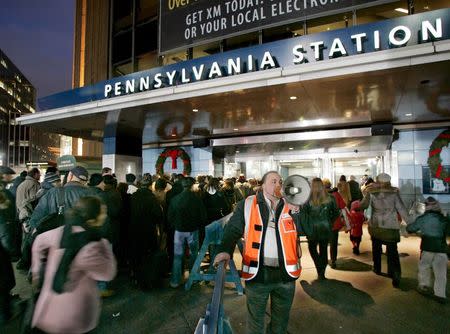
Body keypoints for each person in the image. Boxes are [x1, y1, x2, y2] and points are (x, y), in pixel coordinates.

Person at [214, 171, 302, 334]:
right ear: (262, 185)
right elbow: (232, 229)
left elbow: (305, 230)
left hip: (285, 276)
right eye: (273, 181)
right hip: (258, 275)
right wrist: (225, 250)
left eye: (280, 182)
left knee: (280, 323)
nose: (278, 185)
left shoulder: (290, 205)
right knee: (255, 324)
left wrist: (297, 212)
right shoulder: (247, 204)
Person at [31, 196, 116, 333]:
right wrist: (106, 244)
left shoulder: (62, 231)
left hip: (47, 306)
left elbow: (38, 242)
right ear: (92, 219)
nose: (105, 215)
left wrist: (36, 269)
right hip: (73, 314)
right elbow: (108, 273)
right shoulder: (91, 247)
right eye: (103, 212)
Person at [359, 173, 409, 288]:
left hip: (376, 225)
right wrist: (411, 224)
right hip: (391, 226)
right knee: (392, 252)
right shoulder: (394, 193)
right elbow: (402, 209)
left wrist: (358, 204)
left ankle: (377, 268)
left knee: (376, 248)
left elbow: (363, 205)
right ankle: (395, 274)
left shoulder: (371, 192)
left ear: (377, 180)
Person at [406, 197, 449, 303]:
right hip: (441, 248)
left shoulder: (422, 219)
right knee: (441, 272)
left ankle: (423, 285)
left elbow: (410, 228)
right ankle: (440, 294)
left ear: (426, 207)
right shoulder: (443, 219)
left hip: (427, 247)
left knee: (424, 266)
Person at [168, 177, 207, 288]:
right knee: (194, 254)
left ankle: (175, 281)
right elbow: (203, 216)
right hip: (192, 230)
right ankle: (194, 278)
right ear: (191, 186)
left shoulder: (175, 199)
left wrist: (174, 225)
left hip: (178, 231)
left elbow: (170, 216)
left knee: (177, 256)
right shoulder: (196, 199)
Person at [300, 178, 340, 280]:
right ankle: (322, 270)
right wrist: (329, 222)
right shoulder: (330, 197)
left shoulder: (307, 199)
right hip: (326, 227)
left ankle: (319, 267)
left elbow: (303, 214)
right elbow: (336, 213)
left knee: (312, 248)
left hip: (311, 228)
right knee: (323, 249)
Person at [0, 166, 17, 324]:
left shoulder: (5, 191)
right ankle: (5, 314)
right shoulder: (3, 193)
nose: (10, 178)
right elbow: (4, 220)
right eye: (8, 175)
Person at [322, 178, 350, 269]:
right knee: (333, 243)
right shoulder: (336, 194)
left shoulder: (320, 195)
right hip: (335, 222)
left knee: (323, 243)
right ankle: (333, 260)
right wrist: (347, 223)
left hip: (323, 223)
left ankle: (324, 260)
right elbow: (343, 208)